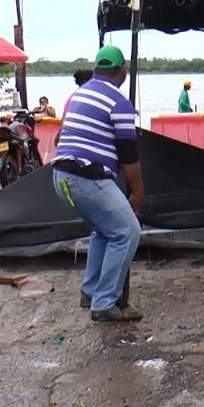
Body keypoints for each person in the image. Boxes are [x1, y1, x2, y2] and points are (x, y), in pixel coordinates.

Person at [51, 46, 145, 321]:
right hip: (85, 176)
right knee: (127, 231)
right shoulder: (118, 102)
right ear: (122, 72)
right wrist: (138, 192)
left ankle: (91, 291)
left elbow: (60, 138)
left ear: (95, 70)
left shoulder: (79, 94)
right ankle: (104, 303)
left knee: (104, 231)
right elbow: (129, 154)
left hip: (61, 176)